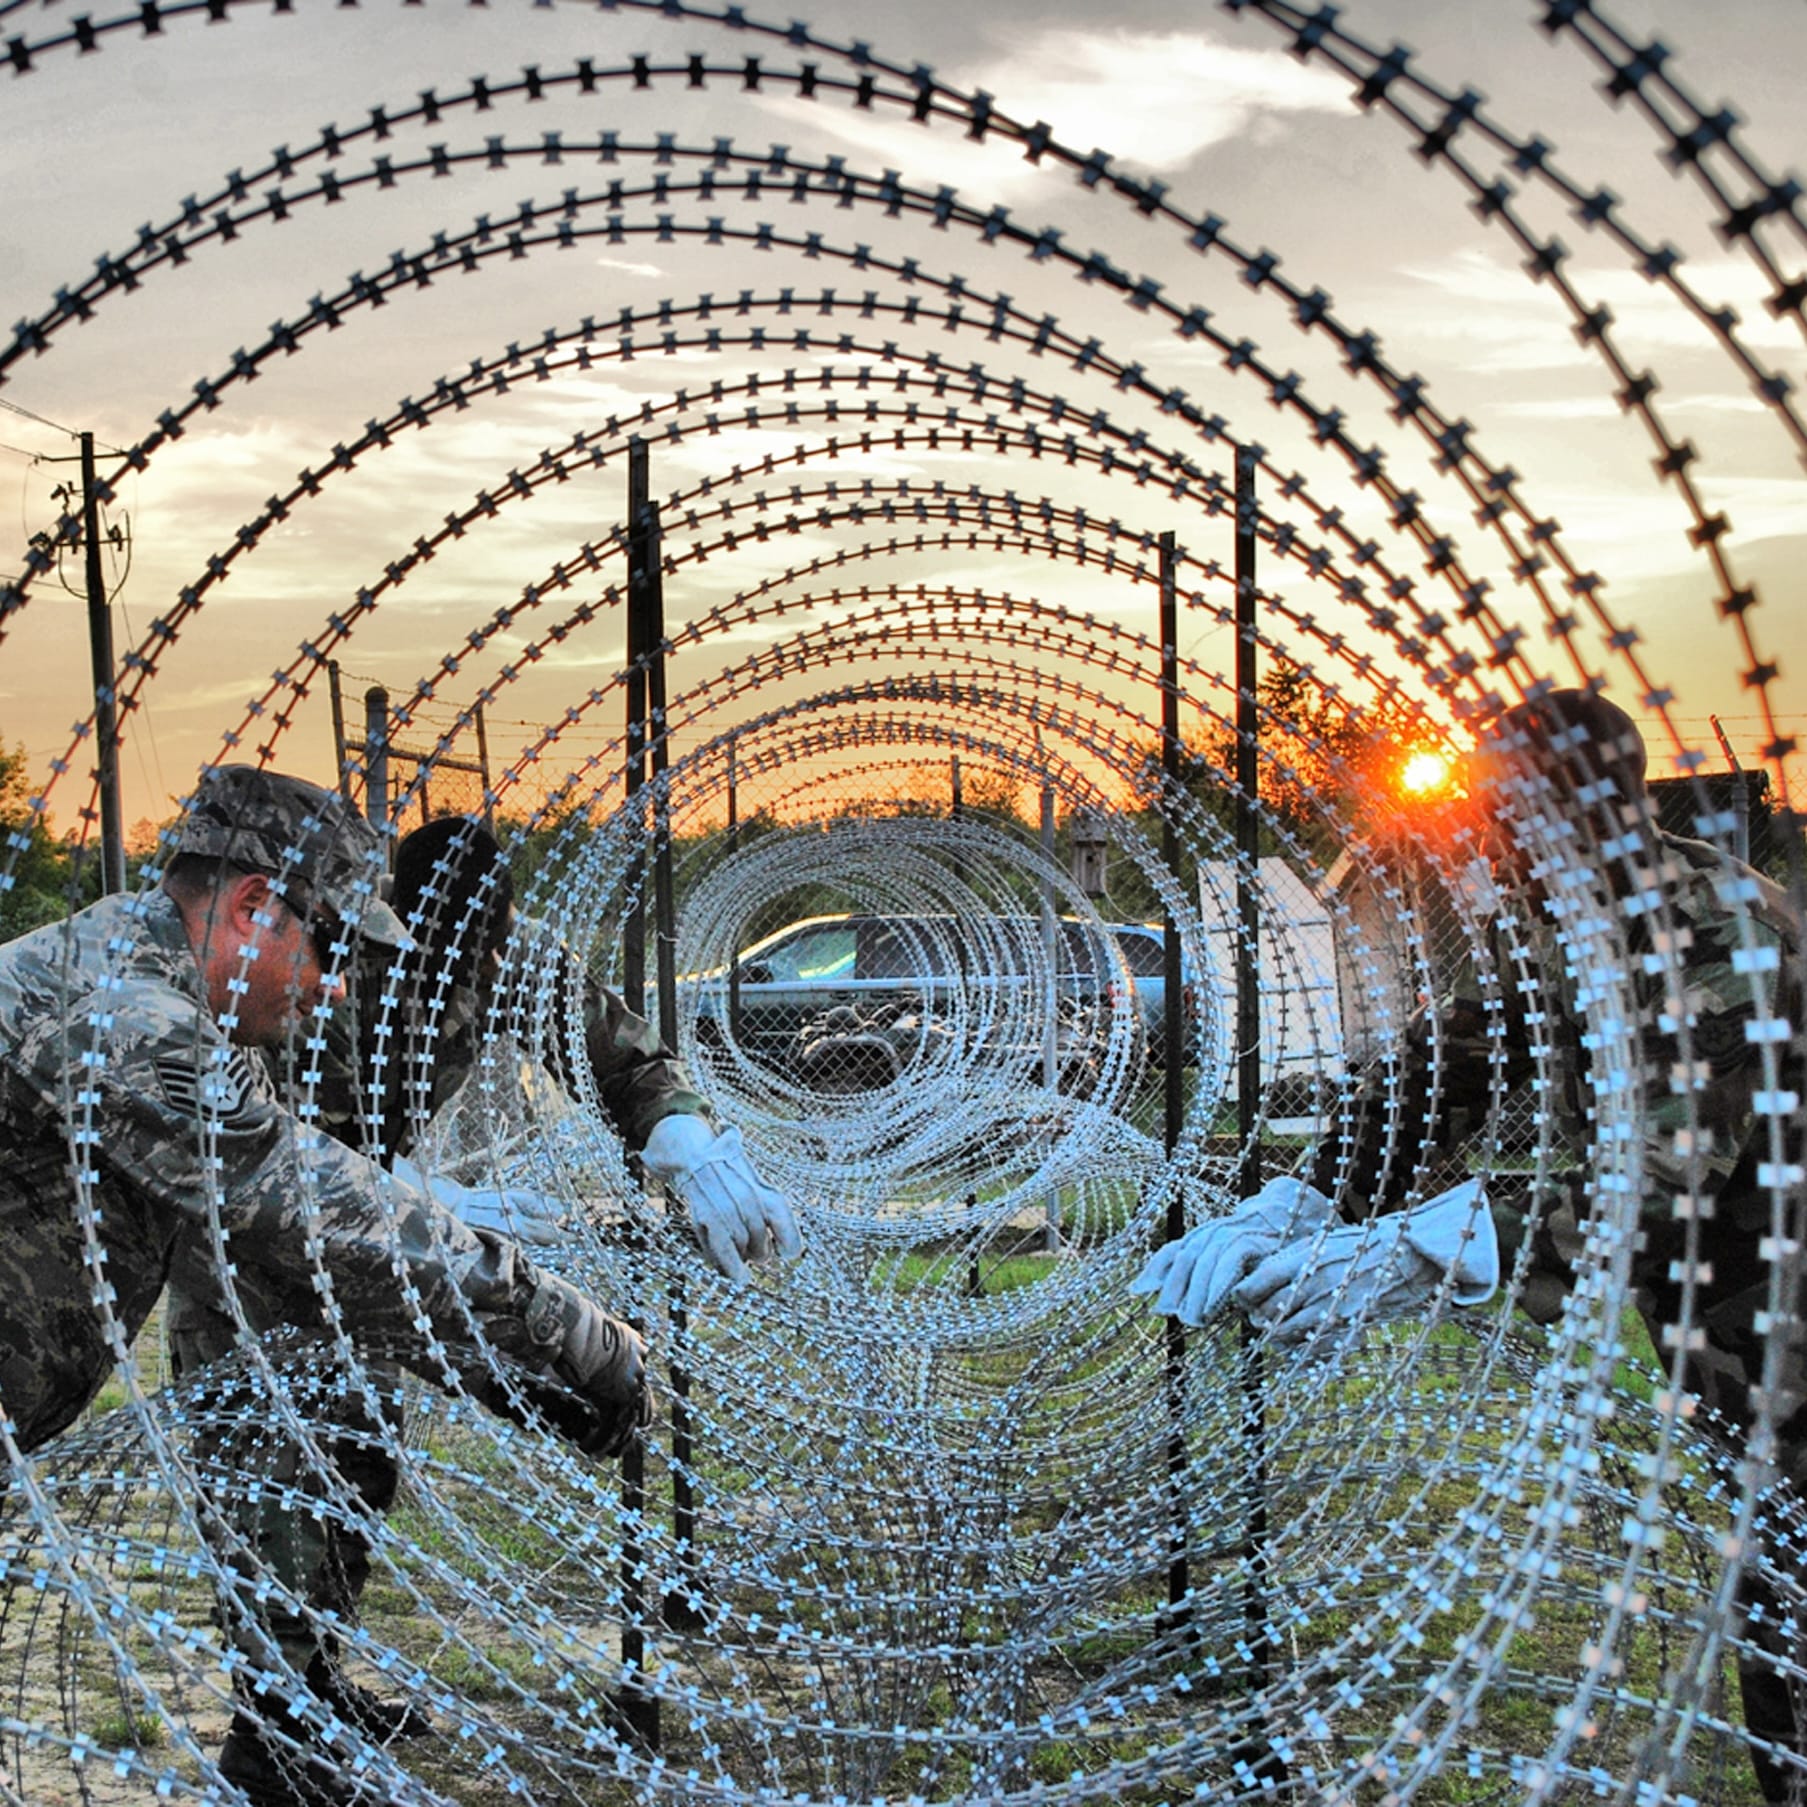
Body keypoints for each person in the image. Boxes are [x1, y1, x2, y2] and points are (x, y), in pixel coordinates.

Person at [1133, 689, 1806, 1799]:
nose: (1477, 841)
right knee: (1775, 1605)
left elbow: (1664, 1182)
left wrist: (1434, 1248)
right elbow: (1447, 1062)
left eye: (1500, 814)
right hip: (1731, 1336)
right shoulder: (1577, 916)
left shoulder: (1713, 929)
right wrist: (1301, 1197)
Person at [0, 765, 651, 1806]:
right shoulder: (127, 1013)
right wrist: (564, 1334)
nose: (338, 984)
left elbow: (307, 1250)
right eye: (330, 946)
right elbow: (313, 1207)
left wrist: (510, 1365)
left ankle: (297, 1709)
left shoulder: (175, 1004)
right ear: (255, 906)